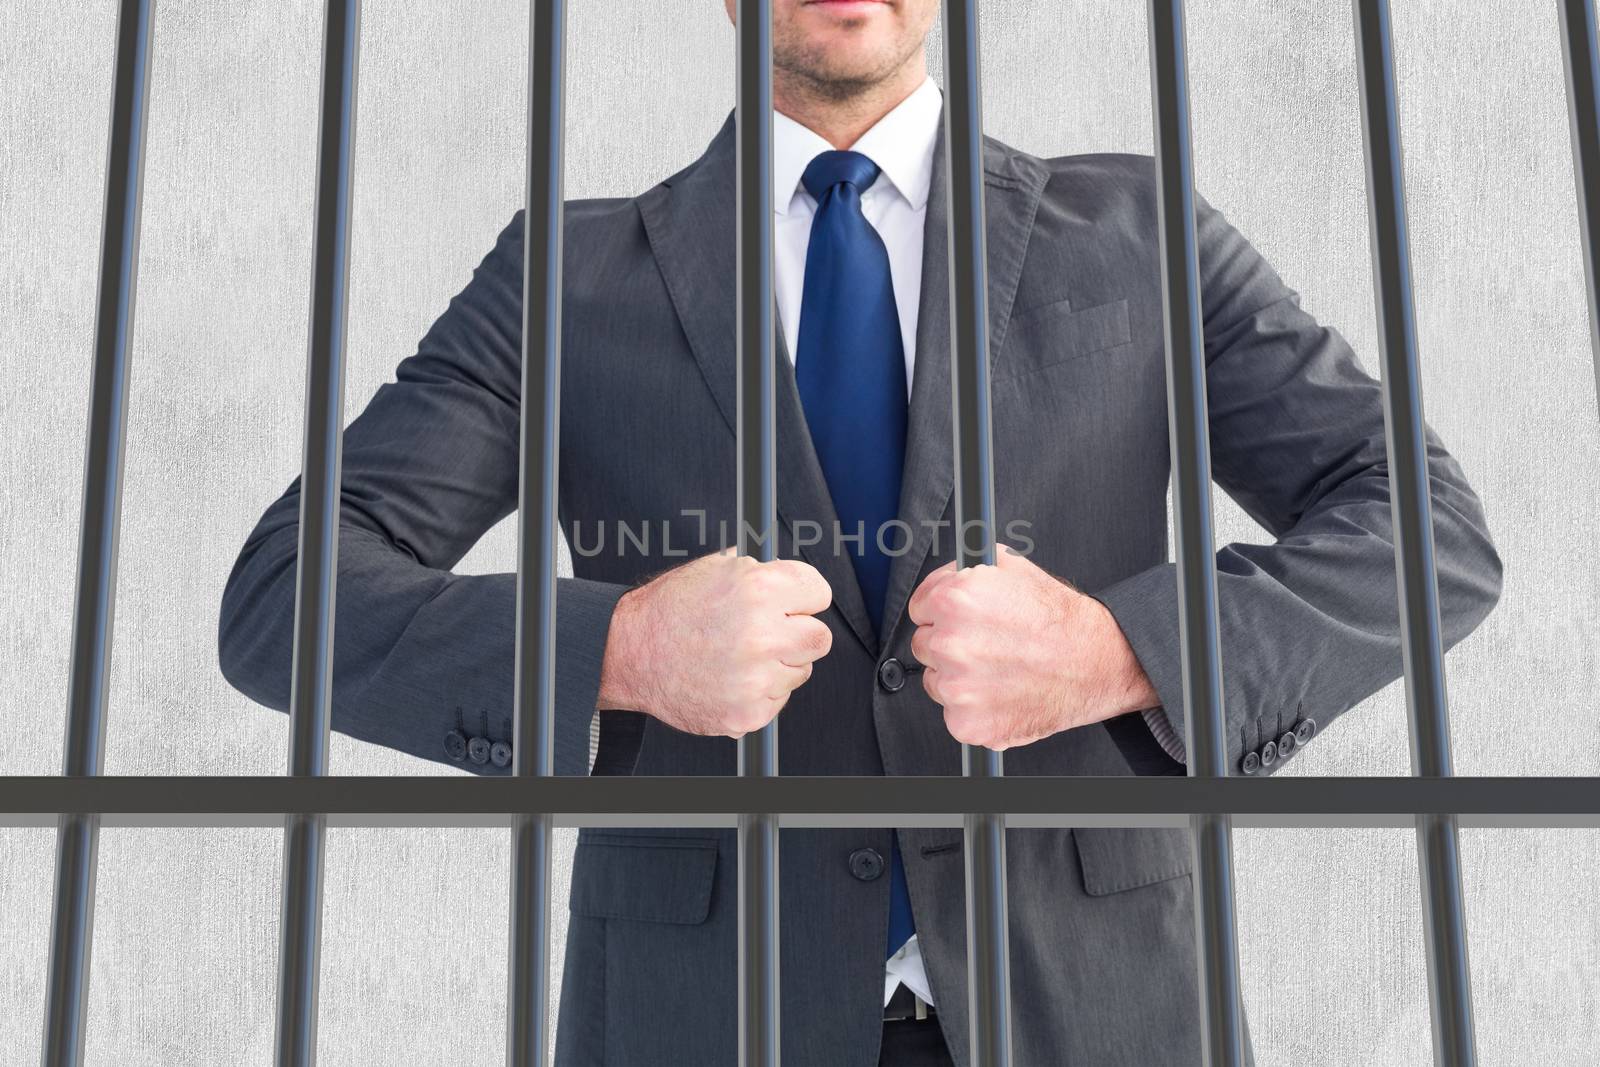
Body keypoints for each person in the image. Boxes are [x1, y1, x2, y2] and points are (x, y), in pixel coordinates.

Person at [218, 1, 1504, 1063]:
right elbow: (290, 590)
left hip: (1096, 1006)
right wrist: (615, 647)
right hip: (701, 1019)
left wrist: (1121, 648)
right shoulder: (566, 275)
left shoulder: (1139, 237)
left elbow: (1425, 527)